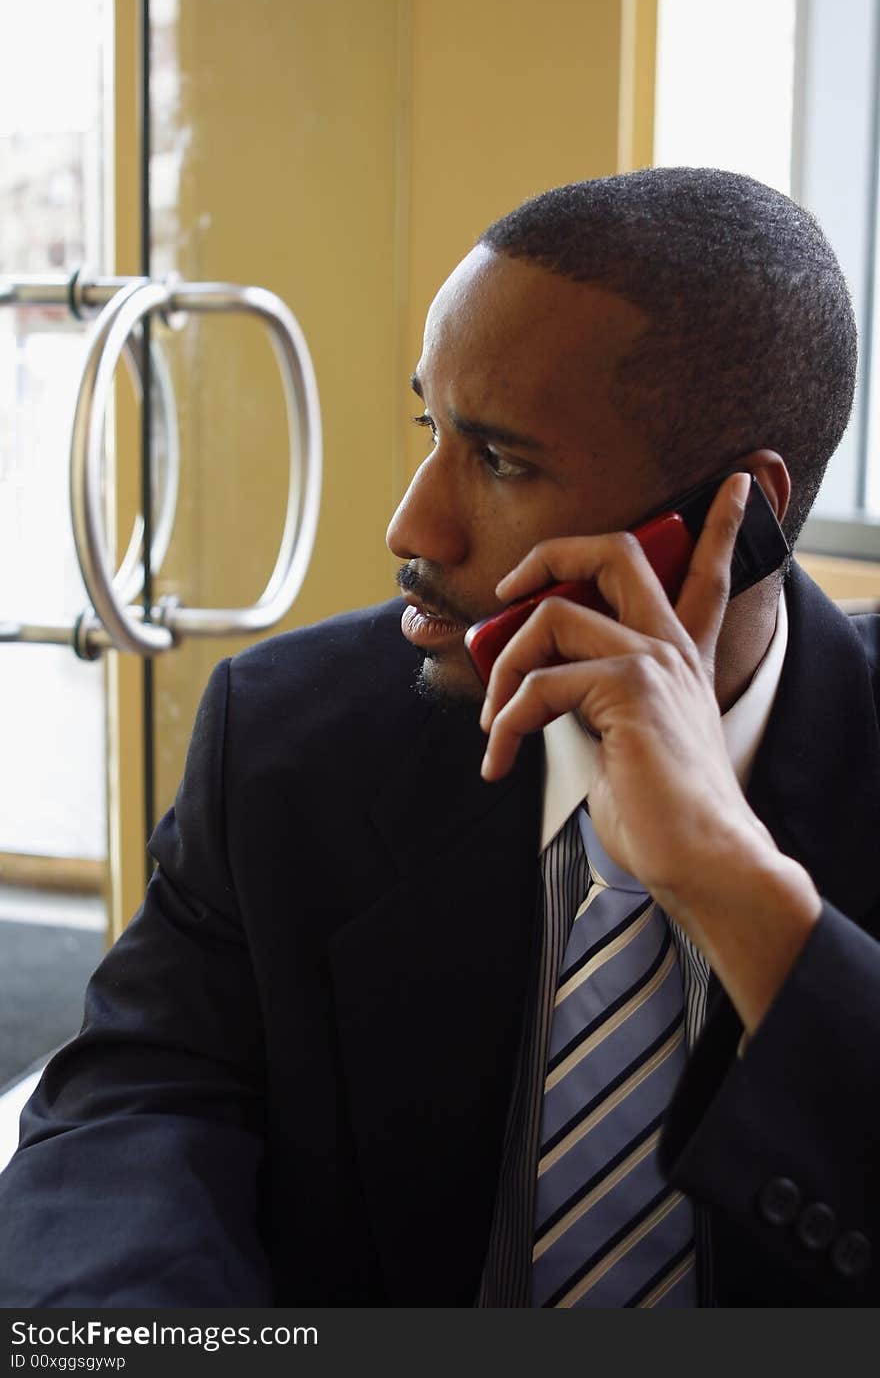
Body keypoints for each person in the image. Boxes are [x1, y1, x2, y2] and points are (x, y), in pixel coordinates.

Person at [0, 167, 876, 1307]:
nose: (411, 522)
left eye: (501, 460)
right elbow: (135, 1112)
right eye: (431, 425)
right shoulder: (291, 736)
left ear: (736, 513)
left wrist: (732, 879)